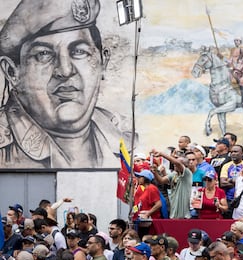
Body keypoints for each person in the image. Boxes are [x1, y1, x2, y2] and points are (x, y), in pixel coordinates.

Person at [0, 0, 135, 168]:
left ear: (103, 63)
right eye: (43, 54)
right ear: (12, 72)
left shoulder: (124, 135)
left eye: (79, 52)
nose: (65, 70)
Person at [151, 149, 193, 219]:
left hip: (184, 215)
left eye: (176, 163)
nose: (174, 164)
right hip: (173, 212)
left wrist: (162, 153)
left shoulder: (187, 173)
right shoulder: (174, 174)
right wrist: (155, 172)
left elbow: (177, 163)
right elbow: (161, 180)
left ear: (184, 165)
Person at [226, 37, 243, 107]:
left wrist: (238, 65)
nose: (236, 42)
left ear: (240, 41)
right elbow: (230, 58)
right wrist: (228, 63)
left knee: (242, 82)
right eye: (235, 40)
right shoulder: (232, 49)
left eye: (237, 40)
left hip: (242, 68)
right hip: (233, 67)